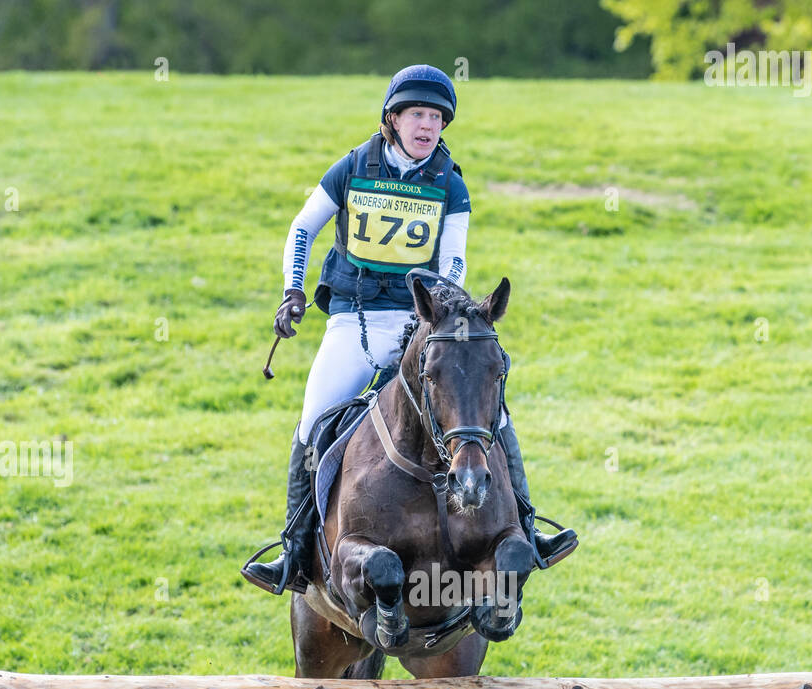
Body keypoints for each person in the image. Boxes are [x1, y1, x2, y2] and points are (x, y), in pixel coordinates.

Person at [244, 63, 577, 595]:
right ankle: (293, 551)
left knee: (497, 417)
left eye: (437, 118)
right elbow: (303, 227)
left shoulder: (451, 184)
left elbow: (454, 266)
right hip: (352, 324)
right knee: (311, 423)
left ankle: (530, 529)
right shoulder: (353, 167)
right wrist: (293, 289)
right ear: (392, 119)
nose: (428, 126)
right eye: (417, 115)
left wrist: (436, 319)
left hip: (420, 323)